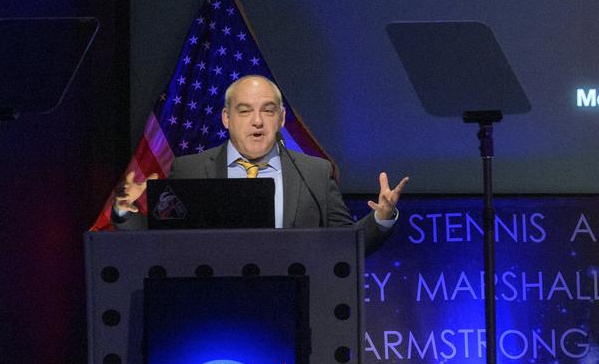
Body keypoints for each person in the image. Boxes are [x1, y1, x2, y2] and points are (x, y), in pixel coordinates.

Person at [112, 74, 407, 254]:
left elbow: (346, 246)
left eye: (268, 111)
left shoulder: (314, 173)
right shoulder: (189, 169)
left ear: (280, 119)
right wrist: (125, 212)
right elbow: (160, 246)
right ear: (226, 118)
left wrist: (381, 218)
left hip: (294, 304)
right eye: (244, 111)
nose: (257, 121)